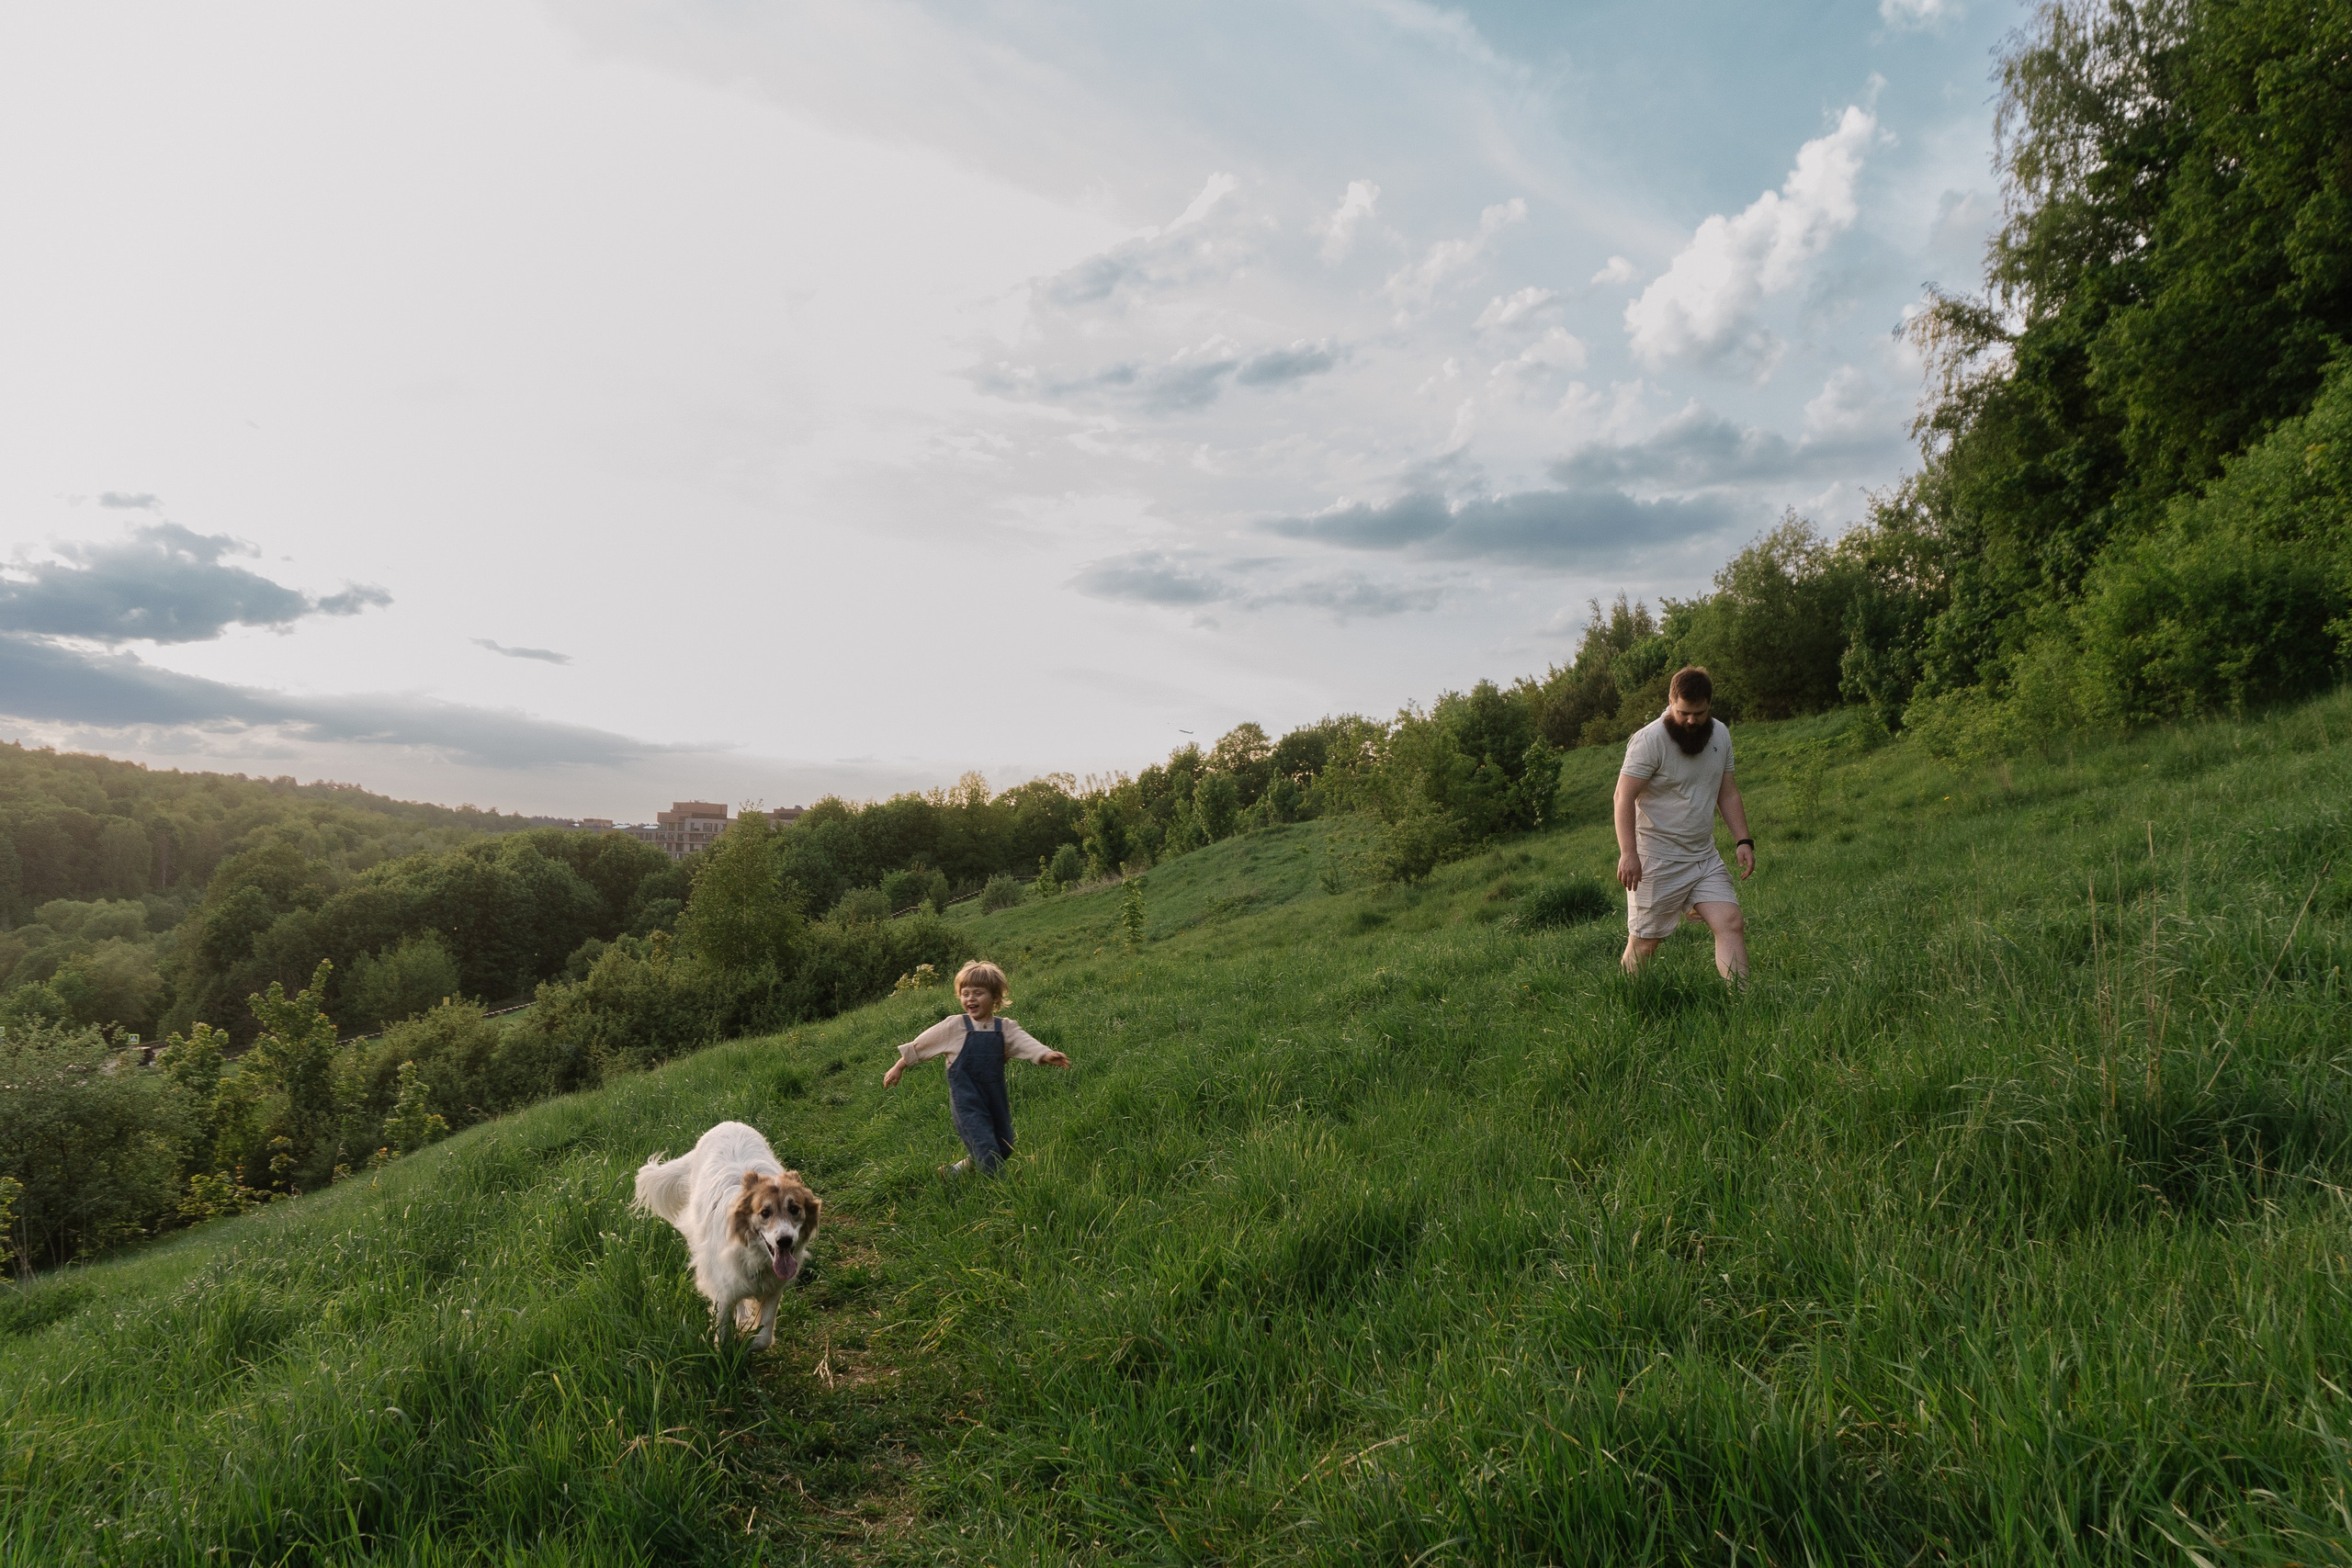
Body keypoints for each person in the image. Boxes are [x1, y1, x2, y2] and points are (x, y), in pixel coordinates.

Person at [1614, 666, 1755, 980]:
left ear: (1709, 705)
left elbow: (1728, 792)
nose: (1691, 720)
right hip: (1657, 860)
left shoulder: (1720, 734)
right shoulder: (1649, 741)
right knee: (1645, 944)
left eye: (1699, 713)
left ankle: (1745, 1002)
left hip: (1703, 856)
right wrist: (1628, 853)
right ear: (1670, 701)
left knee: (1730, 921)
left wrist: (1743, 840)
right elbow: (1623, 796)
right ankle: (1625, 1000)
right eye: (1683, 712)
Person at [882, 959, 1069, 1176]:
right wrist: (899, 1066)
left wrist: (1044, 1054)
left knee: (1004, 1145)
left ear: (995, 997)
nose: (970, 998)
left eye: (978, 993)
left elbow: (1024, 1042)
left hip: (995, 1096)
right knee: (986, 1148)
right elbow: (922, 1044)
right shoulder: (955, 1026)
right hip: (966, 1099)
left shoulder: (1004, 1028)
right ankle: (1002, 1190)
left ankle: (958, 1171)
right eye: (965, 993)